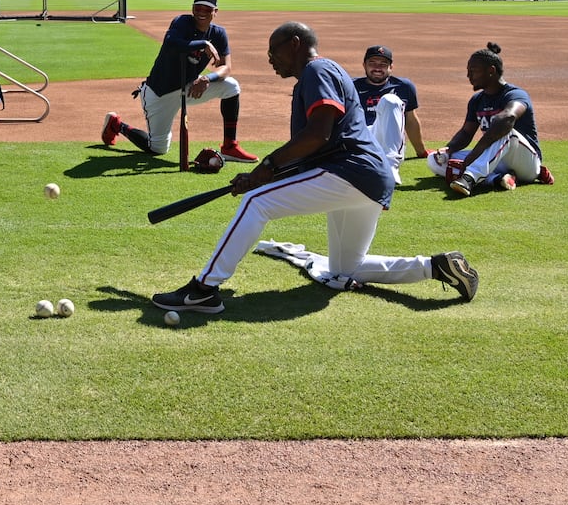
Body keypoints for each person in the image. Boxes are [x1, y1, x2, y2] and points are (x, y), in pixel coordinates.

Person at [152, 21, 480, 316]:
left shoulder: (317, 71)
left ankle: (203, 290)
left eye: (273, 51)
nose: (270, 59)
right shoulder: (323, 74)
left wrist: (266, 167)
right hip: (368, 179)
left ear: (295, 43)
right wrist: (260, 177)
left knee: (257, 204)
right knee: (345, 268)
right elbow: (310, 153)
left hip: (349, 170)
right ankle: (436, 268)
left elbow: (318, 133)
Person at [101, 0, 257, 163]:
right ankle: (116, 125)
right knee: (157, 149)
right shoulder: (182, 22)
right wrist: (203, 43)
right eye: (198, 8)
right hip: (160, 92)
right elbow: (171, 43)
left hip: (190, 88)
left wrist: (207, 78)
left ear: (215, 12)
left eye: (207, 9)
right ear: (192, 9)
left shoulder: (218, 34)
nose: (201, 13)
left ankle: (230, 147)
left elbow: (226, 67)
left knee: (231, 86)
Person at [427, 41, 554, 196]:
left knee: (506, 131)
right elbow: (466, 133)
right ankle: (497, 179)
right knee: (435, 158)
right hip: (495, 160)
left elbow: (508, 117)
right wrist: (449, 149)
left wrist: (473, 156)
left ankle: (469, 178)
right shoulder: (477, 100)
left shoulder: (515, 94)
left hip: (526, 163)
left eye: (473, 71)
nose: (469, 76)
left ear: (491, 71)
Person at [351, 44, 430, 184]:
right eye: (372, 63)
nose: (377, 68)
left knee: (390, 99)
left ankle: (391, 168)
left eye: (383, 64)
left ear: (391, 67)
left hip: (390, 143)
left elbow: (410, 120)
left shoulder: (404, 86)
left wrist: (421, 151)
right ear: (364, 65)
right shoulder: (350, 86)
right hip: (362, 139)